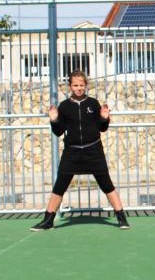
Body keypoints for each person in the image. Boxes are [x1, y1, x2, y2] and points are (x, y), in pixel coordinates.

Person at [31, 70, 130, 230]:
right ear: (70, 86)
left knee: (107, 184)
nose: (79, 88)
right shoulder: (64, 106)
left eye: (82, 85)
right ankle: (48, 220)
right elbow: (58, 131)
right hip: (72, 152)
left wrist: (104, 118)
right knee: (59, 186)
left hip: (93, 151)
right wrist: (54, 120)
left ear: (86, 85)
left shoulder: (93, 104)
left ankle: (122, 218)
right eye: (75, 85)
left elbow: (102, 128)